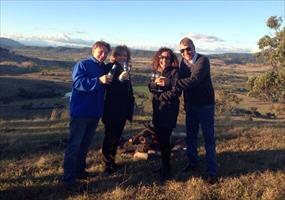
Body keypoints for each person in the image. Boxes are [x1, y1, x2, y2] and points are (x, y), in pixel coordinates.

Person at [61, 41, 111, 187]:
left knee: (85, 144)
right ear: (93, 50)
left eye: (106, 53)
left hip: (94, 112)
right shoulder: (82, 64)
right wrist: (98, 80)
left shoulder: (102, 68)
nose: (103, 55)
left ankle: (80, 171)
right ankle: (68, 178)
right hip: (81, 112)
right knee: (74, 145)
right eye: (100, 52)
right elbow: (77, 83)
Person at [176, 37, 217, 183]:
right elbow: (181, 80)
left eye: (188, 48)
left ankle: (212, 170)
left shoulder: (202, 61)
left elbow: (194, 81)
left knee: (208, 138)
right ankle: (193, 163)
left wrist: (172, 83)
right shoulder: (183, 63)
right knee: (191, 136)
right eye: (182, 50)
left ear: (194, 47)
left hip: (205, 105)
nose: (186, 52)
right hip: (191, 105)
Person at [148, 47, 180, 181]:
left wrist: (160, 95)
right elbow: (150, 86)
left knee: (165, 140)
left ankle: (167, 170)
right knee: (161, 140)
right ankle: (164, 166)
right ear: (158, 58)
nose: (164, 60)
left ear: (171, 59)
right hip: (158, 110)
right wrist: (155, 87)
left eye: (167, 57)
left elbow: (176, 91)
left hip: (169, 110)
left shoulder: (175, 72)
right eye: (161, 57)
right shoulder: (156, 71)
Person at [101, 45, 135, 174]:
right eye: (119, 55)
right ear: (114, 56)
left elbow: (127, 89)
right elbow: (108, 86)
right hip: (111, 108)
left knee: (117, 136)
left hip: (122, 109)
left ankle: (112, 161)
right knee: (110, 136)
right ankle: (106, 164)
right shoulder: (110, 67)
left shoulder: (125, 68)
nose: (122, 57)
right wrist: (119, 80)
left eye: (125, 55)